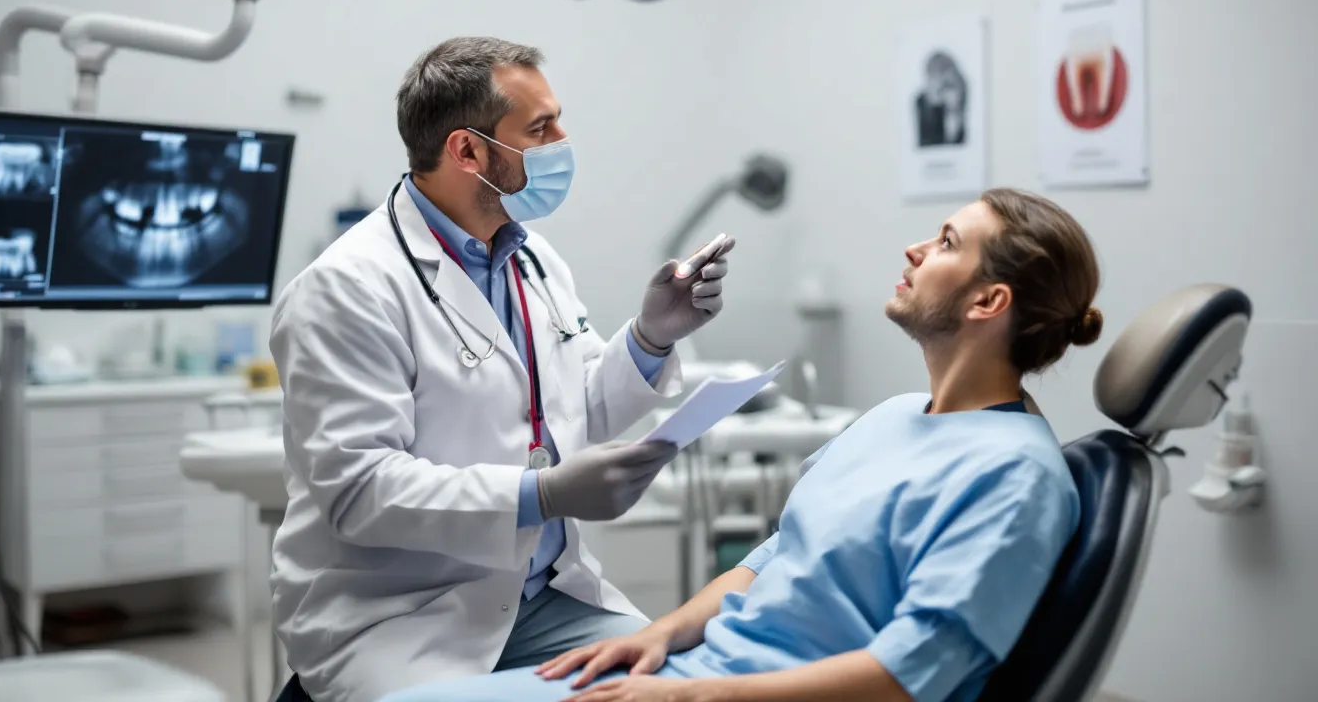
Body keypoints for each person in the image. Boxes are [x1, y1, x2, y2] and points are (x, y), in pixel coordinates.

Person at [382, 187, 1103, 702]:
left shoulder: (1016, 478)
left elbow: (907, 676)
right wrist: (659, 636)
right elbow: (770, 559)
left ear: (987, 303)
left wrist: (694, 698)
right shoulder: (893, 416)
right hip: (696, 672)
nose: (915, 247)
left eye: (946, 242)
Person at [267, 36, 736, 702]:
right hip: (400, 619)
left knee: (682, 688)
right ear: (467, 151)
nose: (563, 140)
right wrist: (540, 496)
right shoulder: (346, 288)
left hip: (548, 598)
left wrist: (651, 337)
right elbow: (359, 493)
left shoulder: (533, 259)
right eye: (541, 128)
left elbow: (574, 409)